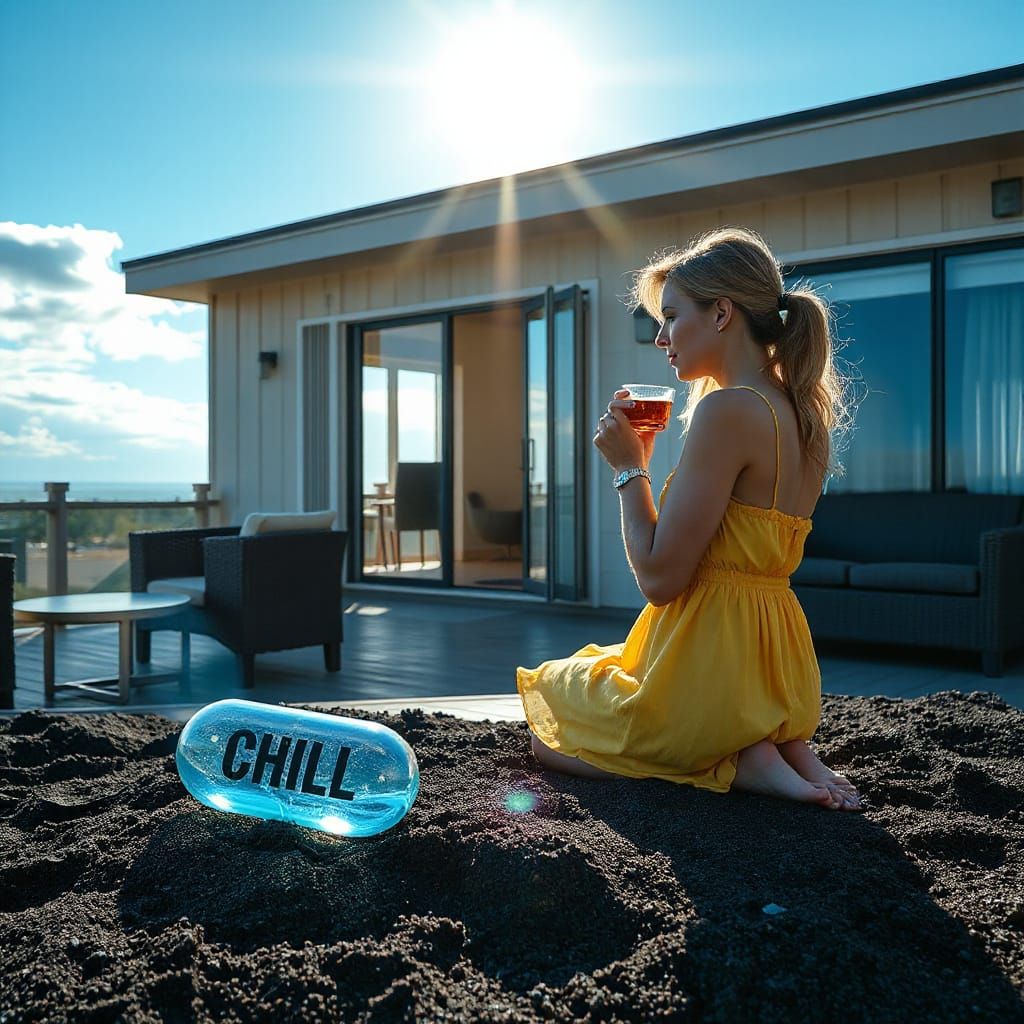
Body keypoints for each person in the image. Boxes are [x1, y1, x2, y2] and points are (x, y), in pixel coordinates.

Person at [516, 226, 863, 812]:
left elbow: (660, 578)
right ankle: (782, 742)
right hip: (776, 667)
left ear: (722, 313)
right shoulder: (803, 412)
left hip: (708, 669)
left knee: (551, 722)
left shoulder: (727, 410)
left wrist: (630, 468)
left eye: (672, 316)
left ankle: (738, 757)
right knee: (593, 672)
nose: (661, 338)